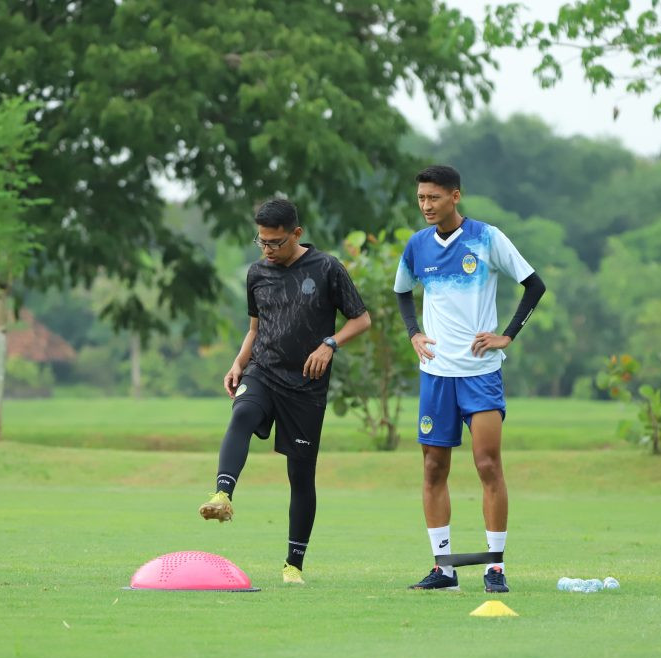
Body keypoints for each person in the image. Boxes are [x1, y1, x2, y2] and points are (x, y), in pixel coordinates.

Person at [199, 197, 371, 585]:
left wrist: (330, 344)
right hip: (263, 370)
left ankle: (293, 564)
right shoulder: (257, 273)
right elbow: (255, 329)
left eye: (276, 242)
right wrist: (238, 363)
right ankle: (222, 496)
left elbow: (361, 320)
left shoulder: (326, 267)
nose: (267, 250)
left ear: (297, 234)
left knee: (301, 475)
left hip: (306, 388)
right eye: (261, 242)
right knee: (241, 413)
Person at [394, 165, 546, 593]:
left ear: (455, 197)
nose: (425, 206)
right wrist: (414, 334)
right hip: (436, 375)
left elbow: (534, 286)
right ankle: (444, 570)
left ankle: (494, 567)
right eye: (421, 198)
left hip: (480, 374)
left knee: (487, 464)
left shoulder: (486, 238)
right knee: (433, 467)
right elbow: (402, 292)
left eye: (434, 198)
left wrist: (507, 336)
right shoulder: (417, 246)